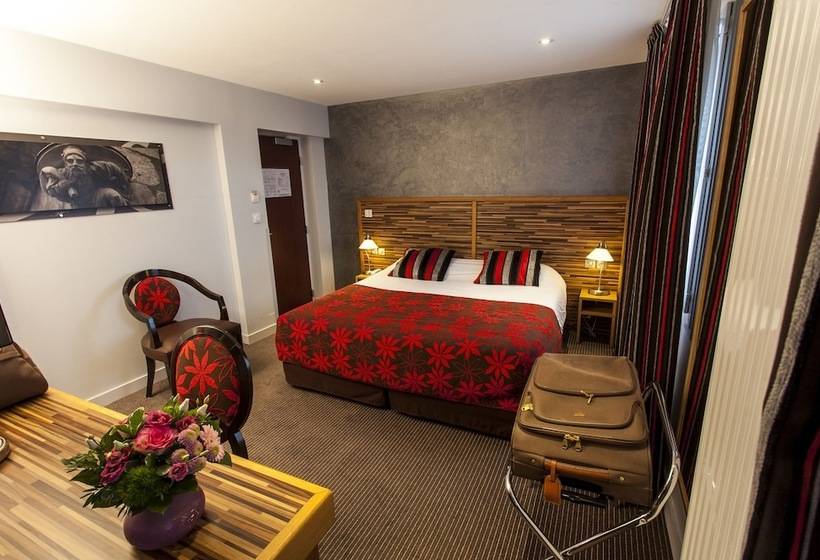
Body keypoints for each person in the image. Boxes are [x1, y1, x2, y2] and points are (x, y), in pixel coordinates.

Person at [38, 145, 131, 208]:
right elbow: (51, 191)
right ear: (65, 163)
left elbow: (114, 168)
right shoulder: (61, 174)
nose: (75, 164)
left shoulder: (93, 168)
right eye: (70, 161)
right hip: (78, 204)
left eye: (79, 161)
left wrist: (125, 186)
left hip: (96, 196)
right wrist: (65, 184)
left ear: (84, 162)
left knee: (113, 195)